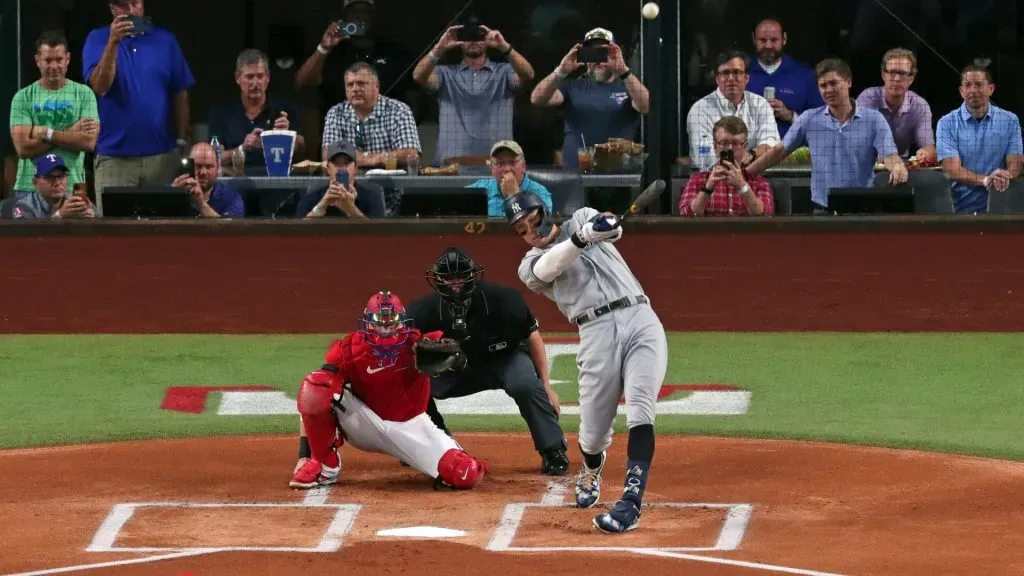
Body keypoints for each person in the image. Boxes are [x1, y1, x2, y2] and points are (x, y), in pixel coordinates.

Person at [502, 192, 667, 533]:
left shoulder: (581, 217)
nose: (530, 231)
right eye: (521, 230)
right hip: (595, 332)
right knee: (592, 437)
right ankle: (592, 466)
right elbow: (551, 266)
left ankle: (630, 503)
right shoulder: (529, 265)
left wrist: (601, 225)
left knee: (641, 409)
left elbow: (611, 227)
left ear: (544, 211)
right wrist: (580, 239)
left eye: (531, 220)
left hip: (640, 317)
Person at [290, 291, 488, 491]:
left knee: (464, 473)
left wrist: (457, 358)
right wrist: (304, 454)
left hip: (411, 428)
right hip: (364, 422)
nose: (385, 330)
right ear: (368, 322)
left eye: (391, 323)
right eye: (380, 323)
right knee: (315, 387)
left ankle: (435, 456)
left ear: (401, 322)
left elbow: (458, 357)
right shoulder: (350, 349)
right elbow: (315, 395)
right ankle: (325, 467)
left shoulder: (416, 345)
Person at [408, 247, 569, 476]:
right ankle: (435, 446)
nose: (455, 283)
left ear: (472, 275)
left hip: (503, 361)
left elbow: (532, 337)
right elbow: (405, 354)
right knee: (411, 383)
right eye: (449, 278)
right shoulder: (421, 311)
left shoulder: (503, 300)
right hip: (455, 371)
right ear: (438, 279)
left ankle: (553, 449)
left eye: (461, 276)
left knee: (525, 384)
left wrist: (546, 385)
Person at [746, 58, 907, 213]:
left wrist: (898, 166)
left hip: (863, 207)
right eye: (823, 85)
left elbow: (889, 154)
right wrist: (746, 173)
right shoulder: (809, 119)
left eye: (834, 83)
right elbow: (779, 151)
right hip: (821, 209)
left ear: (849, 82)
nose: (828, 90)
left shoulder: (874, 120)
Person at [83, 0, 195, 213]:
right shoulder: (97, 39)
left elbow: (180, 93)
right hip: (114, 158)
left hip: (162, 157)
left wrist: (181, 139)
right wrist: (113, 43)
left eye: (136, 3)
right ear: (113, 10)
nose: (132, 11)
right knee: (114, 236)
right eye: (124, 6)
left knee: (164, 232)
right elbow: (100, 86)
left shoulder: (165, 41)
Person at [412, 19, 534, 163]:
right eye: (467, 36)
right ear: (459, 41)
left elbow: (528, 74)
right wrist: (439, 48)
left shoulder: (504, 71)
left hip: (498, 165)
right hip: (451, 166)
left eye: (479, 35)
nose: (474, 40)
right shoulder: (445, 73)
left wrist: (504, 47)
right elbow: (418, 76)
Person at [529, 27, 649, 172]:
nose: (598, 61)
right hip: (575, 175)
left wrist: (623, 70)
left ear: (615, 54)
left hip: (617, 175)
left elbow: (644, 105)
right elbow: (537, 99)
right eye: (592, 54)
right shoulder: (572, 86)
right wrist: (561, 71)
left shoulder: (628, 85)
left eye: (603, 53)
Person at [294, 0, 418, 122]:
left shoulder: (393, 52)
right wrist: (324, 48)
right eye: (354, 11)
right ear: (344, 17)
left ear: (374, 17)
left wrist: (406, 127)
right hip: (339, 131)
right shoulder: (332, 52)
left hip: (385, 133)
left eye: (365, 12)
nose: (359, 17)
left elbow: (416, 96)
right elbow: (302, 83)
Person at [9, 31, 98, 198]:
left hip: (71, 188)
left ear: (68, 59)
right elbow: (23, 148)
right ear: (38, 61)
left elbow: (88, 142)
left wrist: (45, 133)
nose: (54, 66)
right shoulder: (23, 97)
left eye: (59, 59)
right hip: (29, 188)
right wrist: (71, 134)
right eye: (48, 60)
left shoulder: (84, 94)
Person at [936, 65, 1023, 214]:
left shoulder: (1010, 120)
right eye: (968, 85)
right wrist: (986, 180)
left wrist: (1006, 175)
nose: (973, 90)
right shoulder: (946, 123)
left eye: (979, 84)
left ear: (991, 89)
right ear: (961, 91)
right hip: (958, 210)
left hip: (1002, 208)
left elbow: (1016, 161)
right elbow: (952, 169)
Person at [208, 49, 305, 171]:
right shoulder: (220, 113)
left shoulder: (284, 109)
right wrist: (242, 149)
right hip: (233, 184)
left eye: (260, 76)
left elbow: (302, 150)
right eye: (249, 77)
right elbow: (215, 158)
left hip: (278, 183)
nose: (255, 83)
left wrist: (287, 137)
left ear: (268, 77)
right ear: (238, 78)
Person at [685, 50, 780, 163]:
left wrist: (750, 155)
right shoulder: (699, 110)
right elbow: (705, 158)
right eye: (725, 73)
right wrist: (743, 161)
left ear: (746, 78)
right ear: (717, 79)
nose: (731, 78)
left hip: (754, 177)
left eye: (736, 72)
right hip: (710, 178)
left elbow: (772, 144)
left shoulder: (761, 105)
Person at [679, 117, 774, 216]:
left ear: (745, 147)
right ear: (715, 147)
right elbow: (685, 214)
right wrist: (708, 188)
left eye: (735, 144)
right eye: (724, 143)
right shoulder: (697, 180)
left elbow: (766, 214)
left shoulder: (759, 181)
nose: (729, 149)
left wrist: (742, 186)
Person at [745, 18, 822, 138]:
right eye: (762, 40)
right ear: (753, 39)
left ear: (784, 39)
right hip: (747, 153)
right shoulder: (738, 72)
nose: (768, 45)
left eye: (774, 40)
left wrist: (790, 116)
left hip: (793, 154)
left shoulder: (805, 75)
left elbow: (821, 123)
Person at [296, 140, 387, 218]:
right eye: (336, 164)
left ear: (356, 168)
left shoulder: (371, 194)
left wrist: (351, 209)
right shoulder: (312, 193)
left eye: (346, 163)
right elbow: (297, 232)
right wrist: (321, 207)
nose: (341, 168)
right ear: (328, 168)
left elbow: (378, 234)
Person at [466, 141, 553, 218]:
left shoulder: (539, 192)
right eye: (500, 163)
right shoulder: (481, 187)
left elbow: (540, 228)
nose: (507, 169)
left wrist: (514, 196)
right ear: (492, 169)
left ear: (524, 166)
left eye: (512, 162)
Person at [168, 143, 245, 218]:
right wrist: (172, 198)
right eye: (198, 166)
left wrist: (201, 204)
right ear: (189, 166)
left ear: (218, 168)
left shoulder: (231, 197)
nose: (203, 172)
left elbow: (230, 229)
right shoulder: (176, 189)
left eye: (209, 167)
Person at [7, 154, 95, 219]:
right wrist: (59, 216)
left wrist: (92, 217)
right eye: (50, 177)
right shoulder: (22, 206)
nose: (57, 183)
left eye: (61, 176)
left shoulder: (75, 202)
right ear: (35, 182)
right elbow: (27, 238)